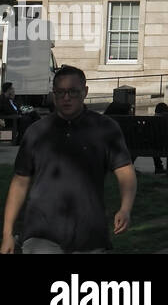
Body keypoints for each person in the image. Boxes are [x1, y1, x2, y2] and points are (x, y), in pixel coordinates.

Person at [1, 66, 135, 254]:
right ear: (53, 94)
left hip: (90, 232)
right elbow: (20, 182)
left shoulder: (105, 128)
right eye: (60, 92)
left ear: (85, 92)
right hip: (41, 232)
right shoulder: (37, 131)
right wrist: (7, 233)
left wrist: (125, 209)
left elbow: (125, 171)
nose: (66, 98)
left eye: (73, 92)